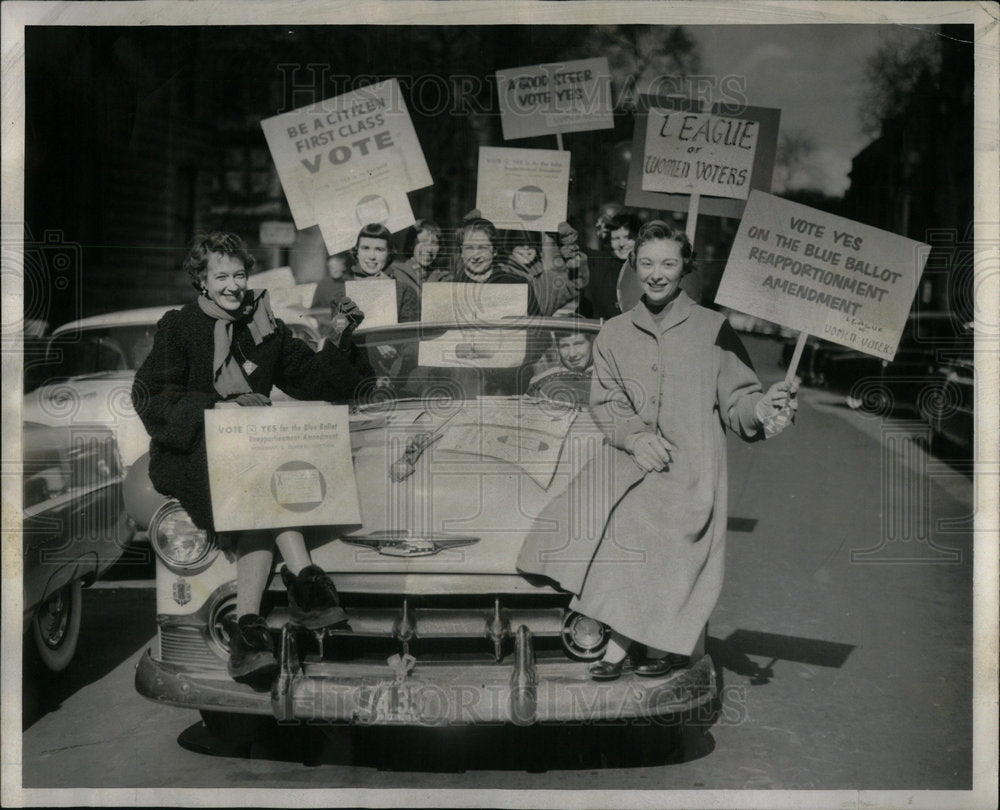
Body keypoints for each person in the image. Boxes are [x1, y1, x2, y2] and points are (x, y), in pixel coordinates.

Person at [518, 220, 797, 681]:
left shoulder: (714, 329)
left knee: (669, 540)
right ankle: (633, 642)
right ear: (633, 266)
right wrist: (634, 436)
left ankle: (639, 644)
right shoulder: (614, 333)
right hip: (631, 466)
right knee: (622, 528)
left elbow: (739, 405)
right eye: (646, 263)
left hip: (691, 473)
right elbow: (605, 402)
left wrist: (767, 407)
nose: (656, 274)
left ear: (685, 266)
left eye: (668, 263)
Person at [132, 232, 371, 684]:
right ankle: (306, 583)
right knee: (264, 486)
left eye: (239, 274)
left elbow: (313, 380)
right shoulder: (178, 327)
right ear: (202, 280)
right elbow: (149, 396)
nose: (233, 285)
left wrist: (338, 333)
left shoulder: (265, 327)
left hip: (251, 461)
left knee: (264, 488)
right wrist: (215, 406)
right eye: (221, 275)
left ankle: (247, 630)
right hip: (191, 453)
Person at [580, 210, 639, 321]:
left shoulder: (647, 267)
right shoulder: (599, 261)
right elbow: (574, 244)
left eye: (628, 238)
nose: (622, 244)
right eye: (616, 238)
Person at [388, 219, 448, 322]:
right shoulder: (395, 273)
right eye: (423, 242)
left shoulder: (445, 278)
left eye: (434, 243)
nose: (429, 249)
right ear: (412, 244)